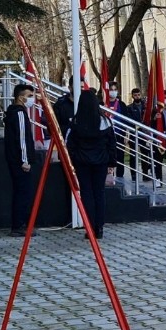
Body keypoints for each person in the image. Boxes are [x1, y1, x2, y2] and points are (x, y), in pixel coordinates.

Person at [68, 89, 117, 239]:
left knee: (87, 194)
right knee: (99, 193)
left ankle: (89, 227)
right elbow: (112, 144)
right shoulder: (105, 122)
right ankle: (99, 227)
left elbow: (70, 145)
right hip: (100, 162)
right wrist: (111, 162)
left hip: (82, 163)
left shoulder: (75, 122)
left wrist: (75, 158)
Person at [4, 83, 37, 236]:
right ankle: (20, 225)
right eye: (29, 96)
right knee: (23, 193)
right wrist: (25, 160)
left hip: (14, 159)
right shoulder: (19, 114)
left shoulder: (14, 113)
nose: (32, 99)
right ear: (20, 97)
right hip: (20, 161)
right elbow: (22, 139)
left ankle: (19, 224)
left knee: (20, 192)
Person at [104, 82, 129, 180]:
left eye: (115, 90)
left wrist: (127, 134)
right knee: (108, 155)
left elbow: (126, 120)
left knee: (120, 156)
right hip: (106, 135)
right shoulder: (103, 103)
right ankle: (109, 175)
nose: (113, 92)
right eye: (111, 90)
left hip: (119, 134)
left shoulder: (121, 104)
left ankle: (120, 176)